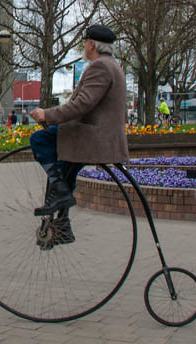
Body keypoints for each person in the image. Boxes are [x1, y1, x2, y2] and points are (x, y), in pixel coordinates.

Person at [29, 24, 128, 245]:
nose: (84, 46)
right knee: (66, 170)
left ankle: (59, 189)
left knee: (39, 140)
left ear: (91, 44)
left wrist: (48, 115)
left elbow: (82, 104)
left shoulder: (100, 67)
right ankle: (62, 225)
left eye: (85, 42)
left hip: (94, 138)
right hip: (99, 135)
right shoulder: (112, 66)